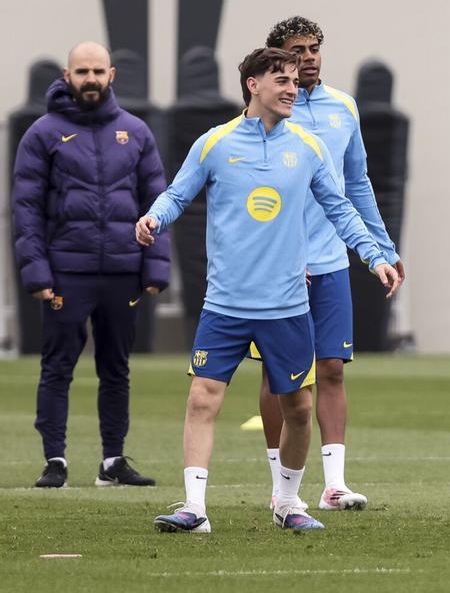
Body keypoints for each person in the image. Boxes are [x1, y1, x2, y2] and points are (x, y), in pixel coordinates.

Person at [137, 47, 401, 533]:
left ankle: (286, 502)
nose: (291, 88)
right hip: (225, 304)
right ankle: (194, 508)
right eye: (281, 79)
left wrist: (375, 256)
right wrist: (154, 217)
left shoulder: (307, 147)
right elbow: (178, 193)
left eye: (295, 82)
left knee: (299, 408)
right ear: (252, 85)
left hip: (287, 307)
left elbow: (341, 209)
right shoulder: (215, 143)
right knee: (202, 397)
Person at [251, 16, 403, 512]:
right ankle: (281, 485)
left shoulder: (344, 107)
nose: (310, 57)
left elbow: (356, 185)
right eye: (299, 50)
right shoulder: (267, 114)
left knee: (332, 369)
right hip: (281, 266)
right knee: (280, 376)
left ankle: (334, 484)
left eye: (315, 48)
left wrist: (381, 249)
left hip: (332, 259)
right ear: (278, 57)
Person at [12, 41, 168, 489]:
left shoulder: (136, 132)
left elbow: (156, 203)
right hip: (66, 272)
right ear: (67, 76)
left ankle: (112, 462)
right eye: (82, 72)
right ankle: (55, 461)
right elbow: (26, 211)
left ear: (112, 75)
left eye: (98, 71)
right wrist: (37, 272)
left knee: (116, 368)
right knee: (58, 366)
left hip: (122, 271)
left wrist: (155, 268)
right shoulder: (42, 133)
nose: (91, 80)